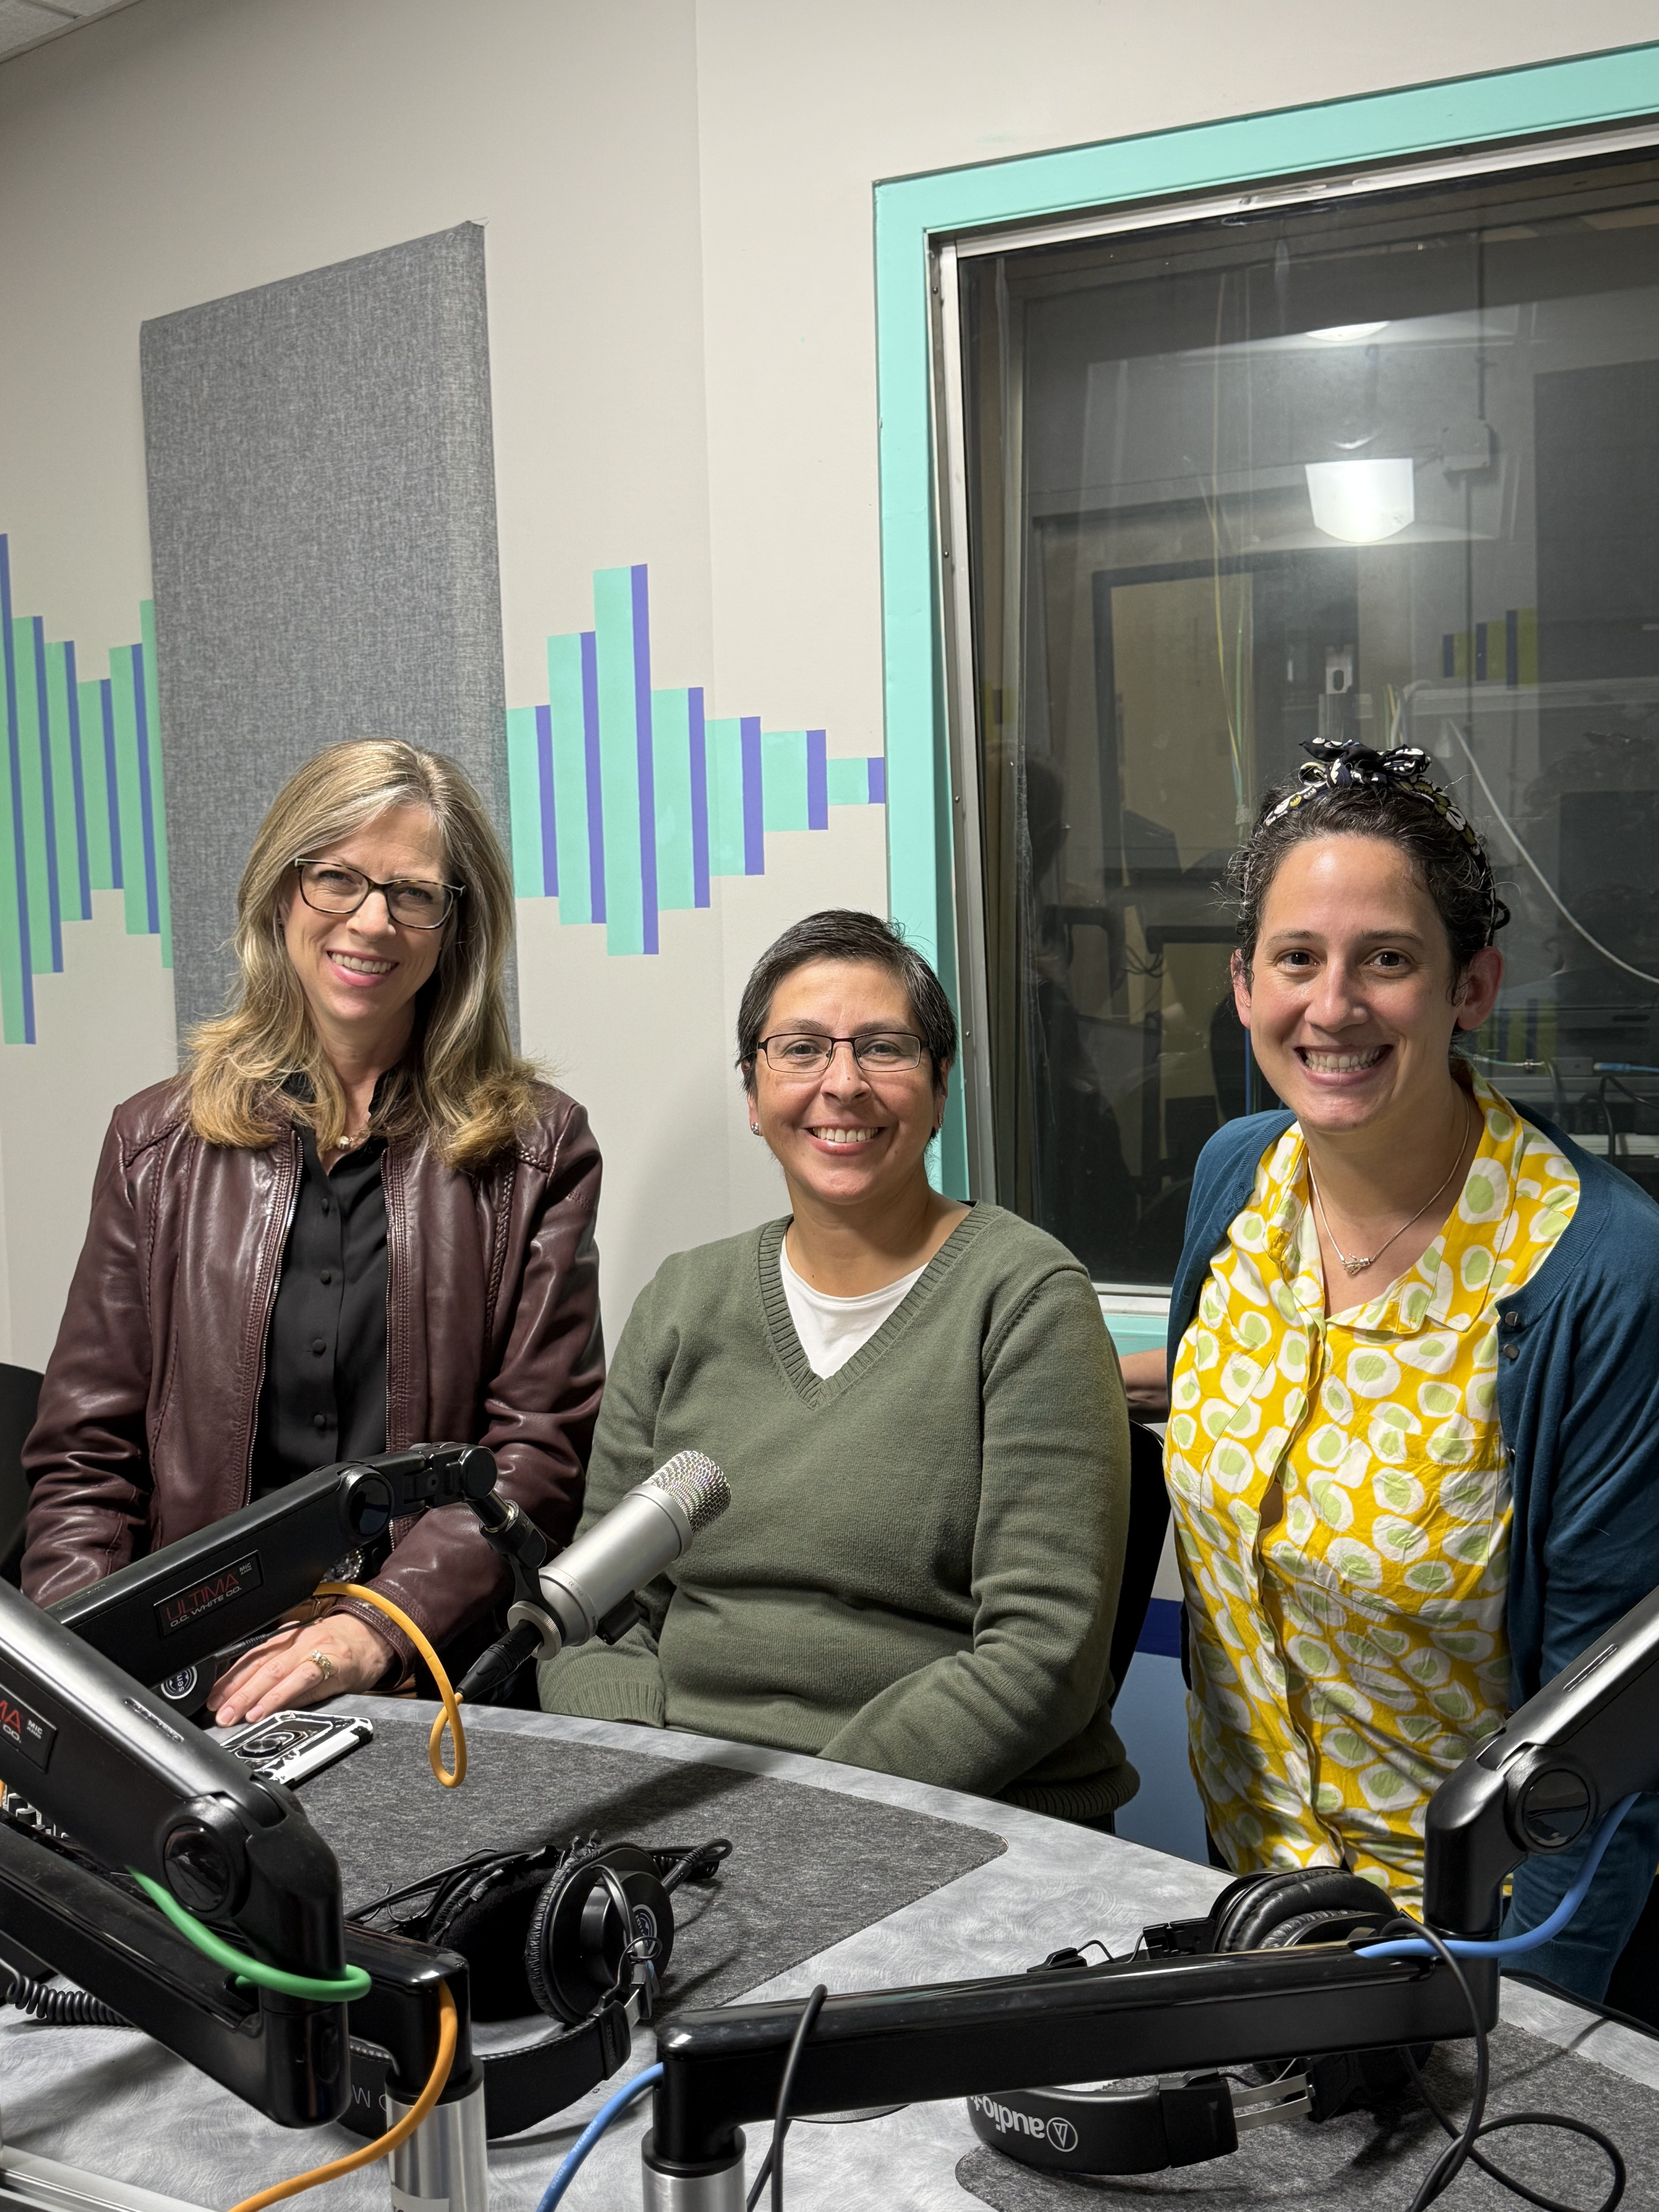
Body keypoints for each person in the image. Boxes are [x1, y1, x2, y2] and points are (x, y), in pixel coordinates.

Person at [1122, 736, 1659, 2001]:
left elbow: (1611, 1757)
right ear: (1243, 984)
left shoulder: (1596, 1272)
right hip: (1255, 1902)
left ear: (1471, 987)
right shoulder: (1234, 1183)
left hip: (1478, 1952)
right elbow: (1214, 1380)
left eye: (1387, 961)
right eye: (1295, 960)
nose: (1333, 1005)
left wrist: (1517, 2037)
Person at [22, 739, 604, 1726]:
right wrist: (81, 1683)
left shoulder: (537, 1151)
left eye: (412, 894)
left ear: (454, 927)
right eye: (337, 878)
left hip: (427, 1675)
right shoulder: (152, 1143)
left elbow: (534, 1457)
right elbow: (89, 1458)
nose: (370, 921)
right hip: (190, 1682)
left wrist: (369, 1628)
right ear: (282, 892)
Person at [539, 909, 1134, 1819]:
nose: (843, 1085)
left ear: (941, 1088)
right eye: (802, 1049)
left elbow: (1041, 1654)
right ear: (753, 1091)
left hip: (944, 1815)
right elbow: (594, 1612)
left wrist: (814, 1816)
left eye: (885, 1049)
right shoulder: (684, 1301)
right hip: (680, 1805)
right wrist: (636, 1782)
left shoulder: (1026, 1297)